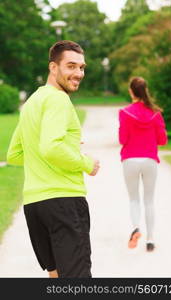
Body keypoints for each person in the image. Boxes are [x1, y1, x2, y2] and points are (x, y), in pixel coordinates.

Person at [7, 40, 100, 278]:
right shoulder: (58, 99)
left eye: (81, 67)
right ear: (53, 67)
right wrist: (85, 163)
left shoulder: (31, 103)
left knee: (57, 278)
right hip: (64, 203)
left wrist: (62, 147)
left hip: (35, 206)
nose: (78, 73)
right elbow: (50, 147)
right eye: (71, 66)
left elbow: (15, 154)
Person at [118, 77, 167, 252]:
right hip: (149, 160)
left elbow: (122, 139)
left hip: (130, 159)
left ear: (131, 91)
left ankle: (136, 227)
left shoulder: (124, 112)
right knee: (149, 200)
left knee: (133, 199)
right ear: (145, 90)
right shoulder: (156, 114)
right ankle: (150, 239)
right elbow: (162, 140)